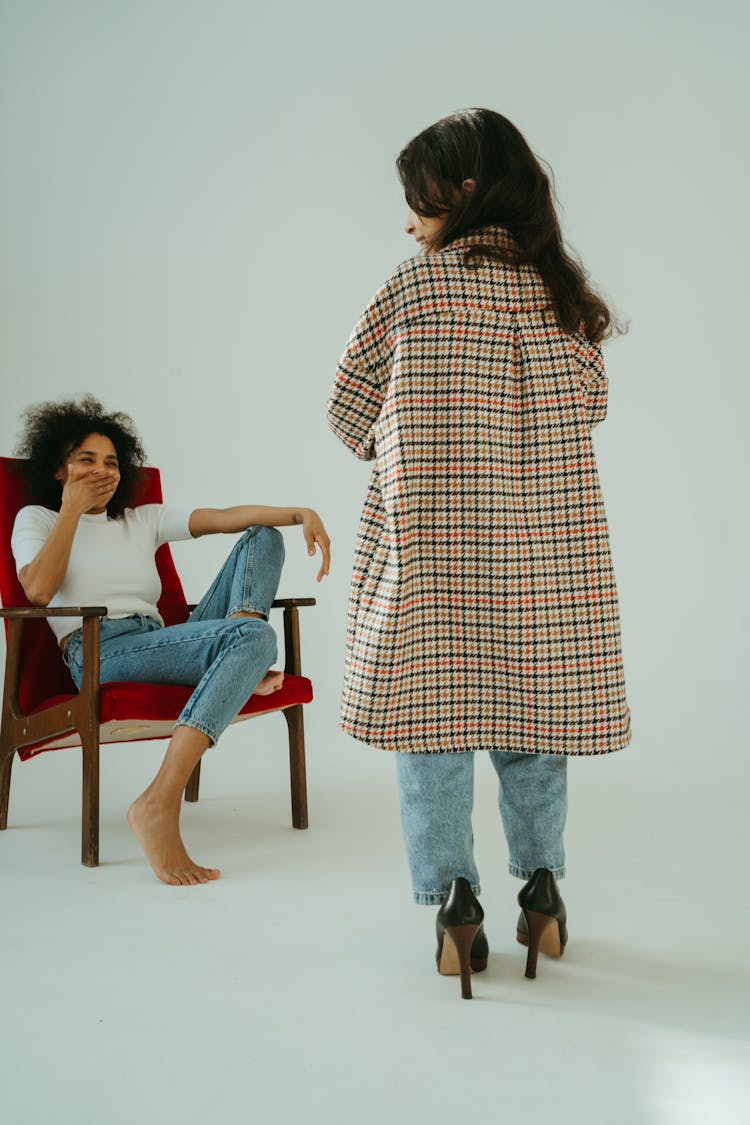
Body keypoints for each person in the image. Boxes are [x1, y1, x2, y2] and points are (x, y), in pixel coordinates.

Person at [327, 108, 631, 998]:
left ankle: (454, 903)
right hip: (543, 556)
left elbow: (347, 408)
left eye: (418, 197)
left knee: (432, 727)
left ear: (460, 192)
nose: (408, 219)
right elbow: (593, 408)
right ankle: (542, 887)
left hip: (431, 553)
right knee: (533, 722)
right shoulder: (557, 298)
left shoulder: (412, 288)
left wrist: (416, 436)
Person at [11, 395, 330, 886]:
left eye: (112, 462)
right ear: (60, 468)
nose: (102, 471)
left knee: (262, 535)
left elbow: (225, 516)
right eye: (87, 460)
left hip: (163, 640)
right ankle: (161, 797)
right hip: (100, 651)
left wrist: (299, 511)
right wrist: (72, 511)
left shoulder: (141, 519)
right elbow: (36, 589)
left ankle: (239, 655)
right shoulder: (38, 519)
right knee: (254, 636)